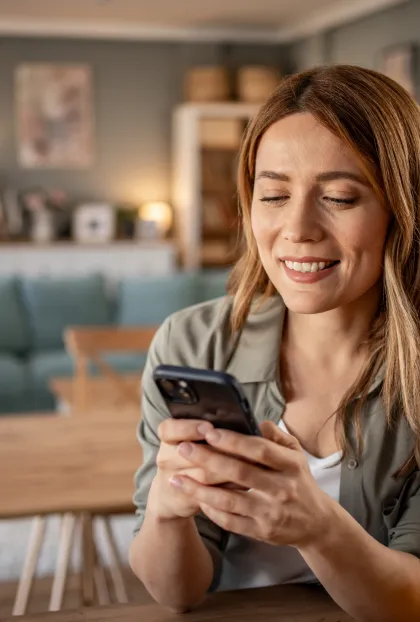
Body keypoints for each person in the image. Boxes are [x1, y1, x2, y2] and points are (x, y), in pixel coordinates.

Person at [129, 65, 420, 622]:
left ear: (401, 212)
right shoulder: (193, 342)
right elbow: (176, 593)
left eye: (338, 197)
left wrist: (317, 526)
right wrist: (167, 513)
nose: (297, 228)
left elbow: (410, 600)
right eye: (274, 195)